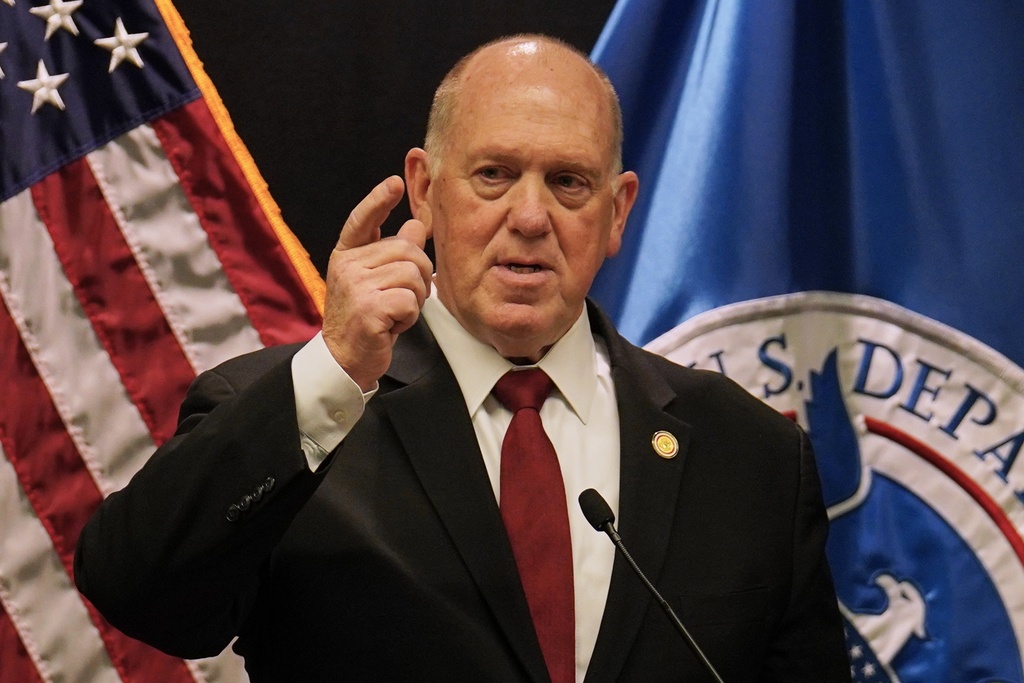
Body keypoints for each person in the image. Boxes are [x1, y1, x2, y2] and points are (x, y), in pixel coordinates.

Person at [75, 34, 850, 682]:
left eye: (569, 183)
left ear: (617, 213)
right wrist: (334, 370)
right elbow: (141, 594)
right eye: (494, 174)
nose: (529, 216)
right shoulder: (295, 414)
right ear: (423, 189)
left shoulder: (752, 457)